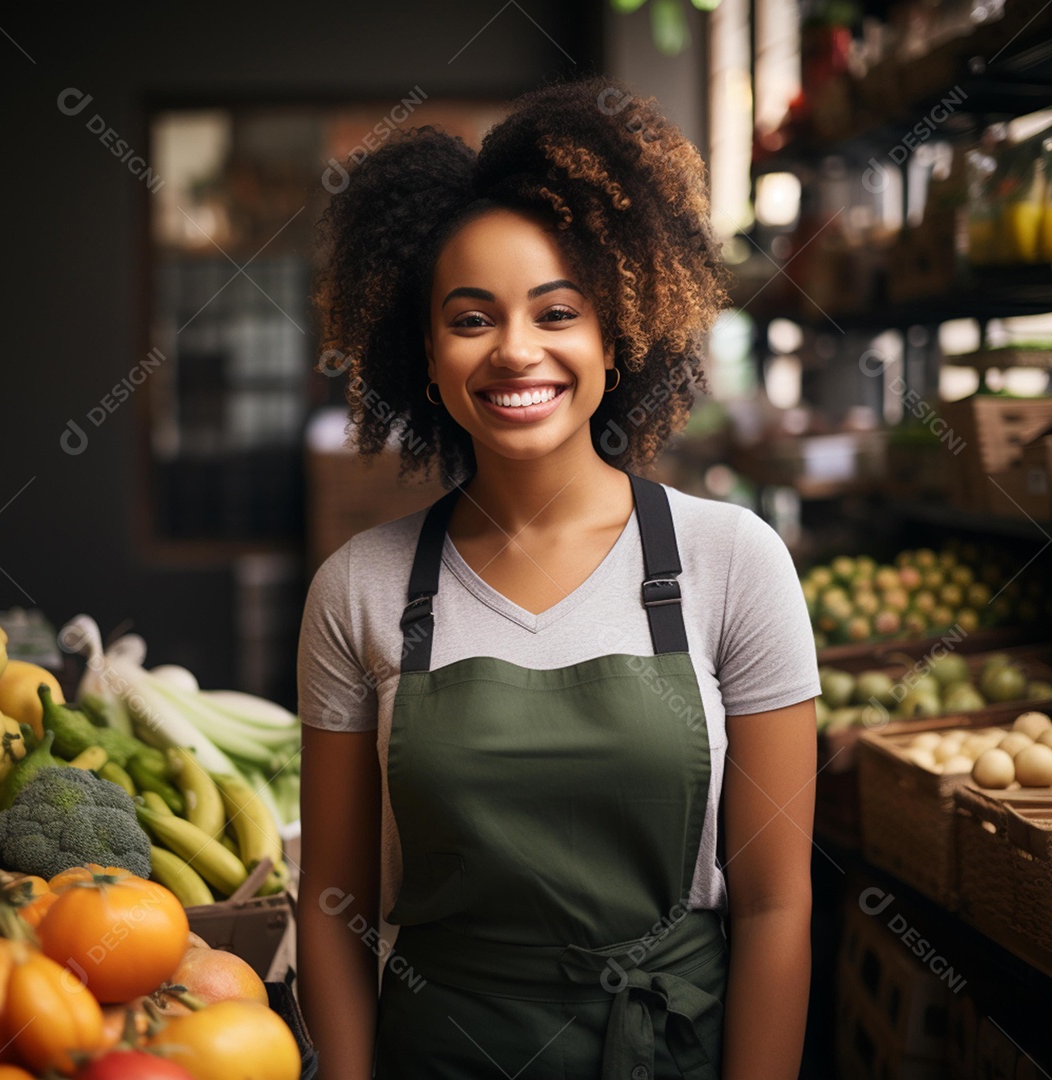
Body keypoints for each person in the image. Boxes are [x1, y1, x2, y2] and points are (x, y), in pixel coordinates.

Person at [297, 74, 820, 1080]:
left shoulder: (733, 564)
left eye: (557, 311)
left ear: (616, 336)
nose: (518, 350)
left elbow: (774, 904)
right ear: (428, 357)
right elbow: (335, 907)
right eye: (473, 317)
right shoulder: (359, 588)